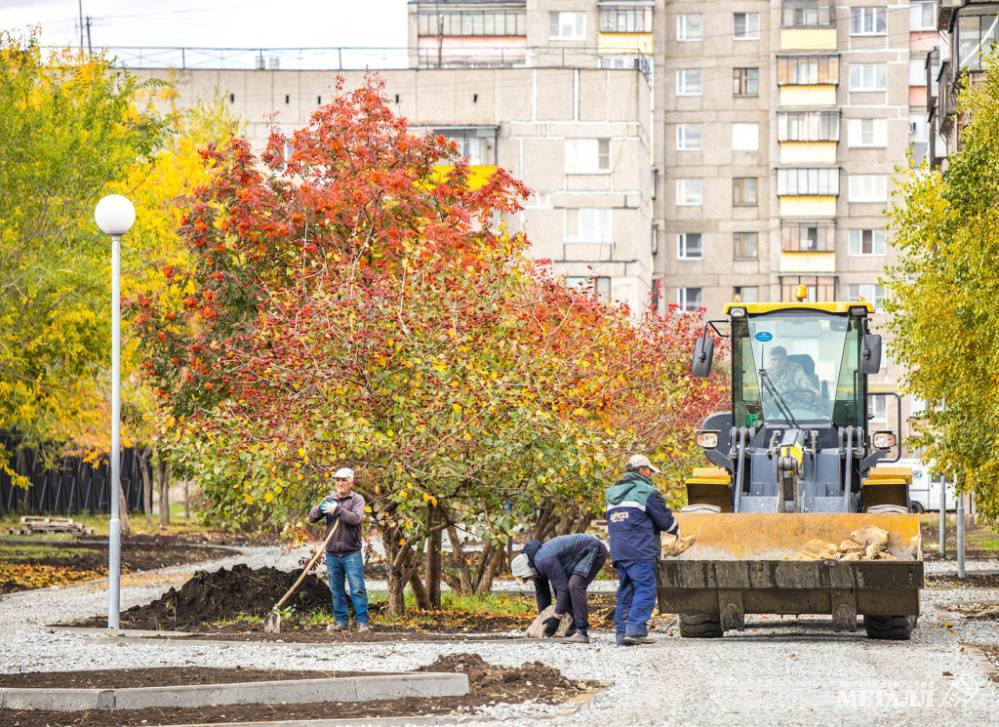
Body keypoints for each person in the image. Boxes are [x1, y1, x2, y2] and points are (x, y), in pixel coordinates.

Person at [605, 454, 678, 645]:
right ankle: (635, 629)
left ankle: (622, 634)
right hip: (640, 551)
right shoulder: (646, 492)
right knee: (645, 589)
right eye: (650, 471)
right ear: (642, 470)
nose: (651, 475)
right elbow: (665, 522)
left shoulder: (612, 495)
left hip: (619, 551)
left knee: (626, 591)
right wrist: (678, 529)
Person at [511, 533, 608, 644]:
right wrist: (543, 621)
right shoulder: (535, 566)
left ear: (527, 570)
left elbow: (563, 588)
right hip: (578, 556)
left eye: (526, 578)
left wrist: (556, 618)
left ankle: (582, 632)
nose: (529, 579)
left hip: (593, 549)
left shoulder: (543, 561)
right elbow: (542, 594)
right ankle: (572, 627)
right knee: (560, 587)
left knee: (575, 585)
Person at [308, 467, 369, 633]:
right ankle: (341, 621)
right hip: (333, 552)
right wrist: (321, 508)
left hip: (351, 552)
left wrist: (337, 510)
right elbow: (312, 518)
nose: (340, 483)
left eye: (343, 480)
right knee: (336, 589)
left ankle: (362, 622)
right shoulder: (329, 498)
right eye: (337, 480)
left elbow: (355, 519)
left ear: (351, 482)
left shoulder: (357, 500)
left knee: (357, 588)